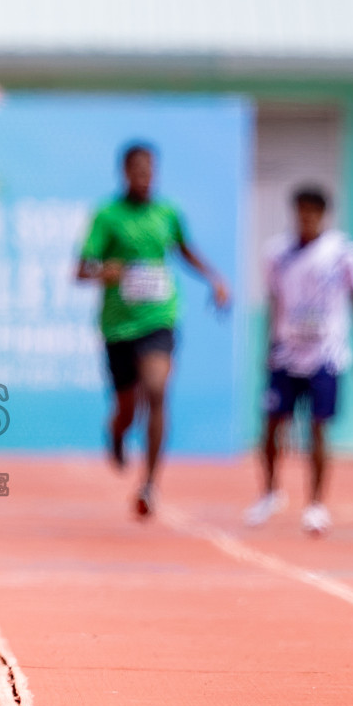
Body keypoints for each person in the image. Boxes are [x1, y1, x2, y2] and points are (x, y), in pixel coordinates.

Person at [76, 143, 230, 519]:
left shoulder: (168, 213)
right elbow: (81, 270)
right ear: (124, 173)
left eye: (150, 171)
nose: (144, 178)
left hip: (159, 317)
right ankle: (116, 431)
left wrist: (214, 278)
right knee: (128, 407)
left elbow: (184, 249)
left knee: (157, 391)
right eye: (137, 171)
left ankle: (149, 482)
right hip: (118, 325)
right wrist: (104, 272)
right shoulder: (107, 216)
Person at [245, 185, 353, 536]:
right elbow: (274, 302)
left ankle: (316, 505)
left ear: (323, 215)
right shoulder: (277, 254)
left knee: (318, 426)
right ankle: (270, 492)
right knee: (272, 424)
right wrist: (269, 346)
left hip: (325, 353)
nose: (306, 219)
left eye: (312, 213)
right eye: (300, 212)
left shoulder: (344, 253)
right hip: (287, 351)